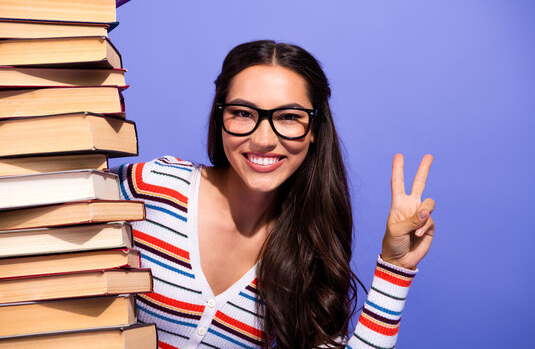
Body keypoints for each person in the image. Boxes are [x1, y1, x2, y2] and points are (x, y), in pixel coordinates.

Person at [114, 40, 435, 349]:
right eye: (242, 113)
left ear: (314, 131)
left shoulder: (309, 254)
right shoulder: (153, 187)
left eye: (288, 117)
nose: (264, 139)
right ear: (219, 117)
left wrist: (396, 268)